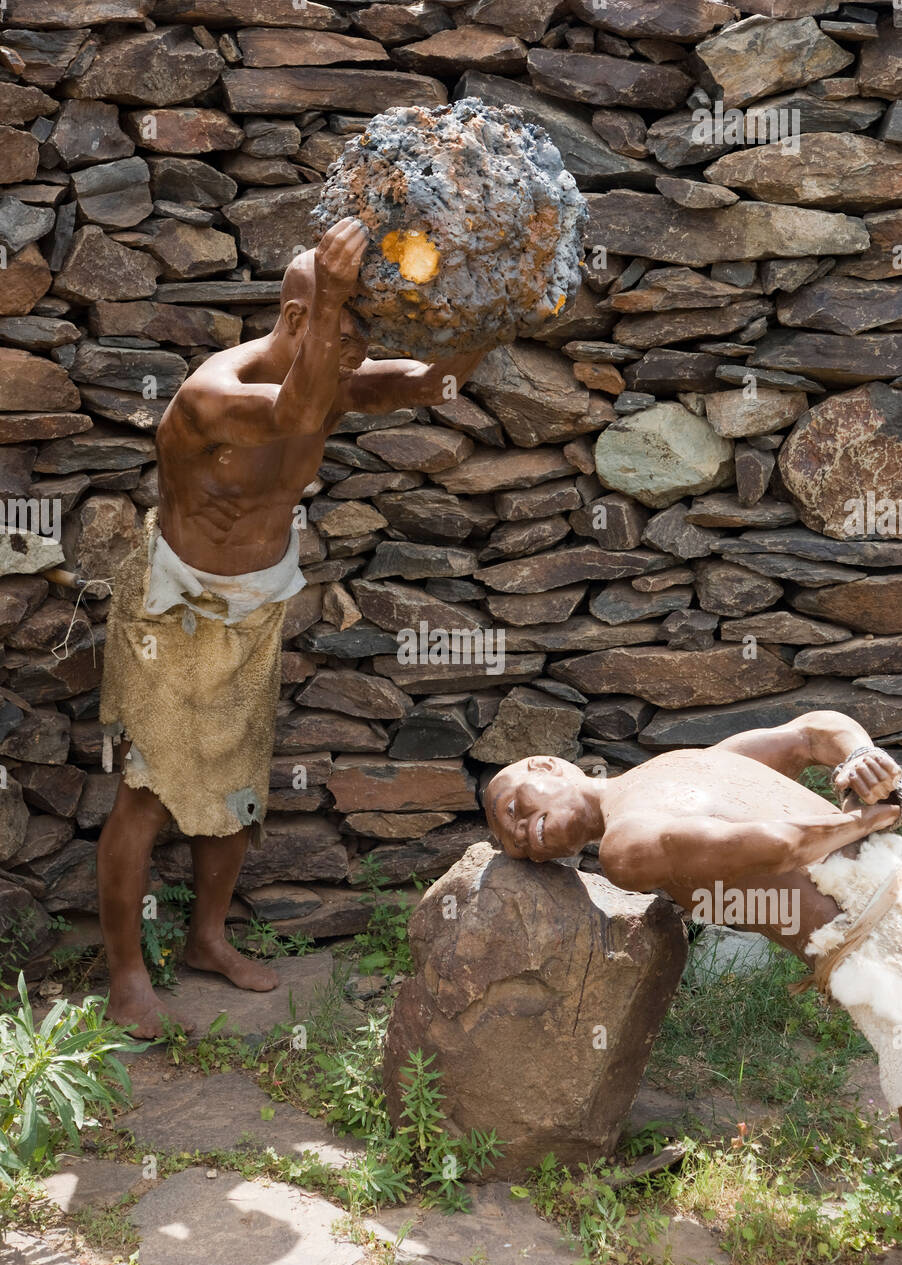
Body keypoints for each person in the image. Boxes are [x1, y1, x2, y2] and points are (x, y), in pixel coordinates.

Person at [98, 217, 487, 1038]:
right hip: (174, 611)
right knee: (147, 792)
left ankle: (207, 939)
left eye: (363, 338)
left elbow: (432, 383)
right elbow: (294, 411)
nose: (358, 351)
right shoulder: (212, 397)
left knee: (238, 784)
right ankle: (126, 974)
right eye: (344, 330)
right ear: (296, 316)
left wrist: (492, 305)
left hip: (256, 609)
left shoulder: (334, 375)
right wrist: (335, 293)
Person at [484, 711, 902, 1127]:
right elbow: (782, 823)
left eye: (514, 808)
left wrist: (861, 759)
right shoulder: (654, 811)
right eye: (518, 848)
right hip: (875, 929)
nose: (520, 834)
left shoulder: (651, 813)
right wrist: (863, 811)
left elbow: (807, 745)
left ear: (546, 765)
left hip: (878, 940)